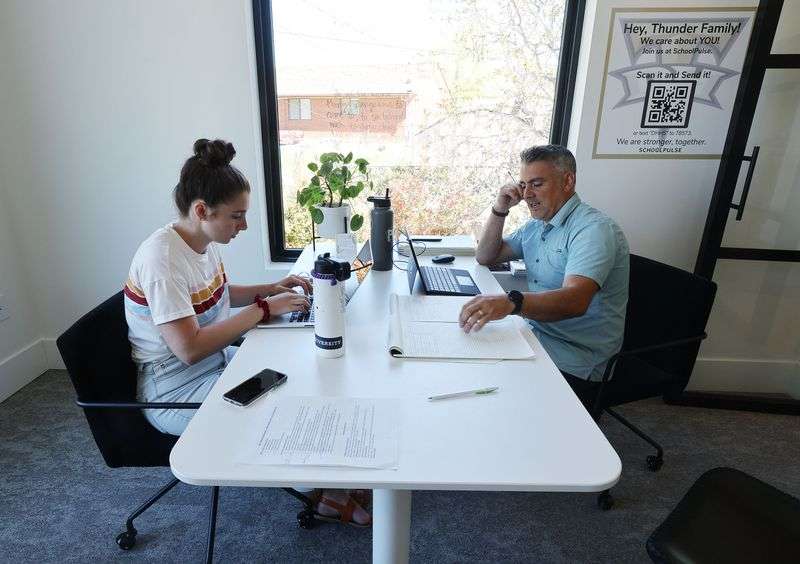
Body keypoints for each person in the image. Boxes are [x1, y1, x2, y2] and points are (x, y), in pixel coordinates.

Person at [124, 138, 370, 526]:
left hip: (216, 363)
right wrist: (263, 309)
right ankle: (322, 494)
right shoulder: (162, 260)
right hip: (174, 389)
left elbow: (218, 295)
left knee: (301, 374)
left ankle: (327, 477)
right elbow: (188, 349)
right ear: (202, 210)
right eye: (236, 216)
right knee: (285, 404)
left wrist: (269, 289)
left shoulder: (200, 242)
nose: (244, 225)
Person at [459, 144, 629, 412]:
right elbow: (485, 255)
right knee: (469, 368)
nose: (527, 195)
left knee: (494, 404)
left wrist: (512, 302)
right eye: (523, 185)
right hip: (535, 336)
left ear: (567, 181)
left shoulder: (593, 230)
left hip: (576, 359)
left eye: (537, 184)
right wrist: (501, 207)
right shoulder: (537, 226)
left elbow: (575, 301)